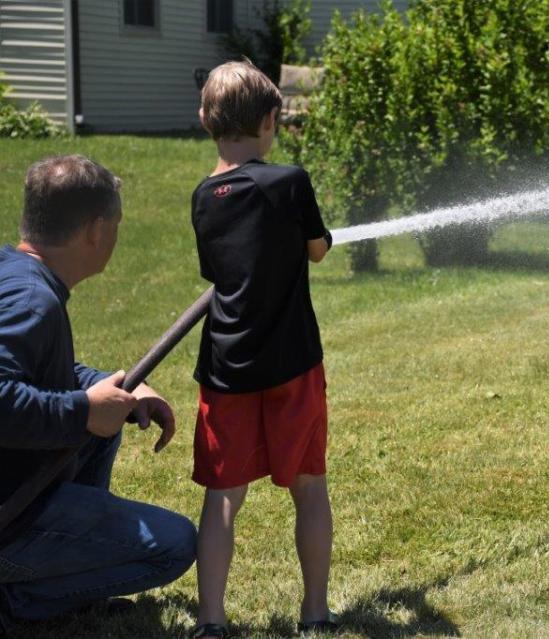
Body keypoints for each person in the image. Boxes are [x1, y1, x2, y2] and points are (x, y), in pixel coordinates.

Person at [0, 155, 197, 634]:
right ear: (95, 230)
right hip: (9, 517)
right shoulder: (32, 301)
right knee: (174, 543)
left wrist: (101, 386)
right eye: (117, 225)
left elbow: (40, 373)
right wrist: (83, 410)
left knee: (104, 429)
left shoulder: (14, 274)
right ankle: (20, 597)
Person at [190, 60, 336, 639]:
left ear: (206, 120)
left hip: (227, 366)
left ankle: (211, 620)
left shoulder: (204, 197)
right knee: (309, 488)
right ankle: (316, 613)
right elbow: (317, 250)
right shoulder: (289, 181)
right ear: (272, 120)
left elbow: (218, 271)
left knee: (222, 496)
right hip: (293, 363)